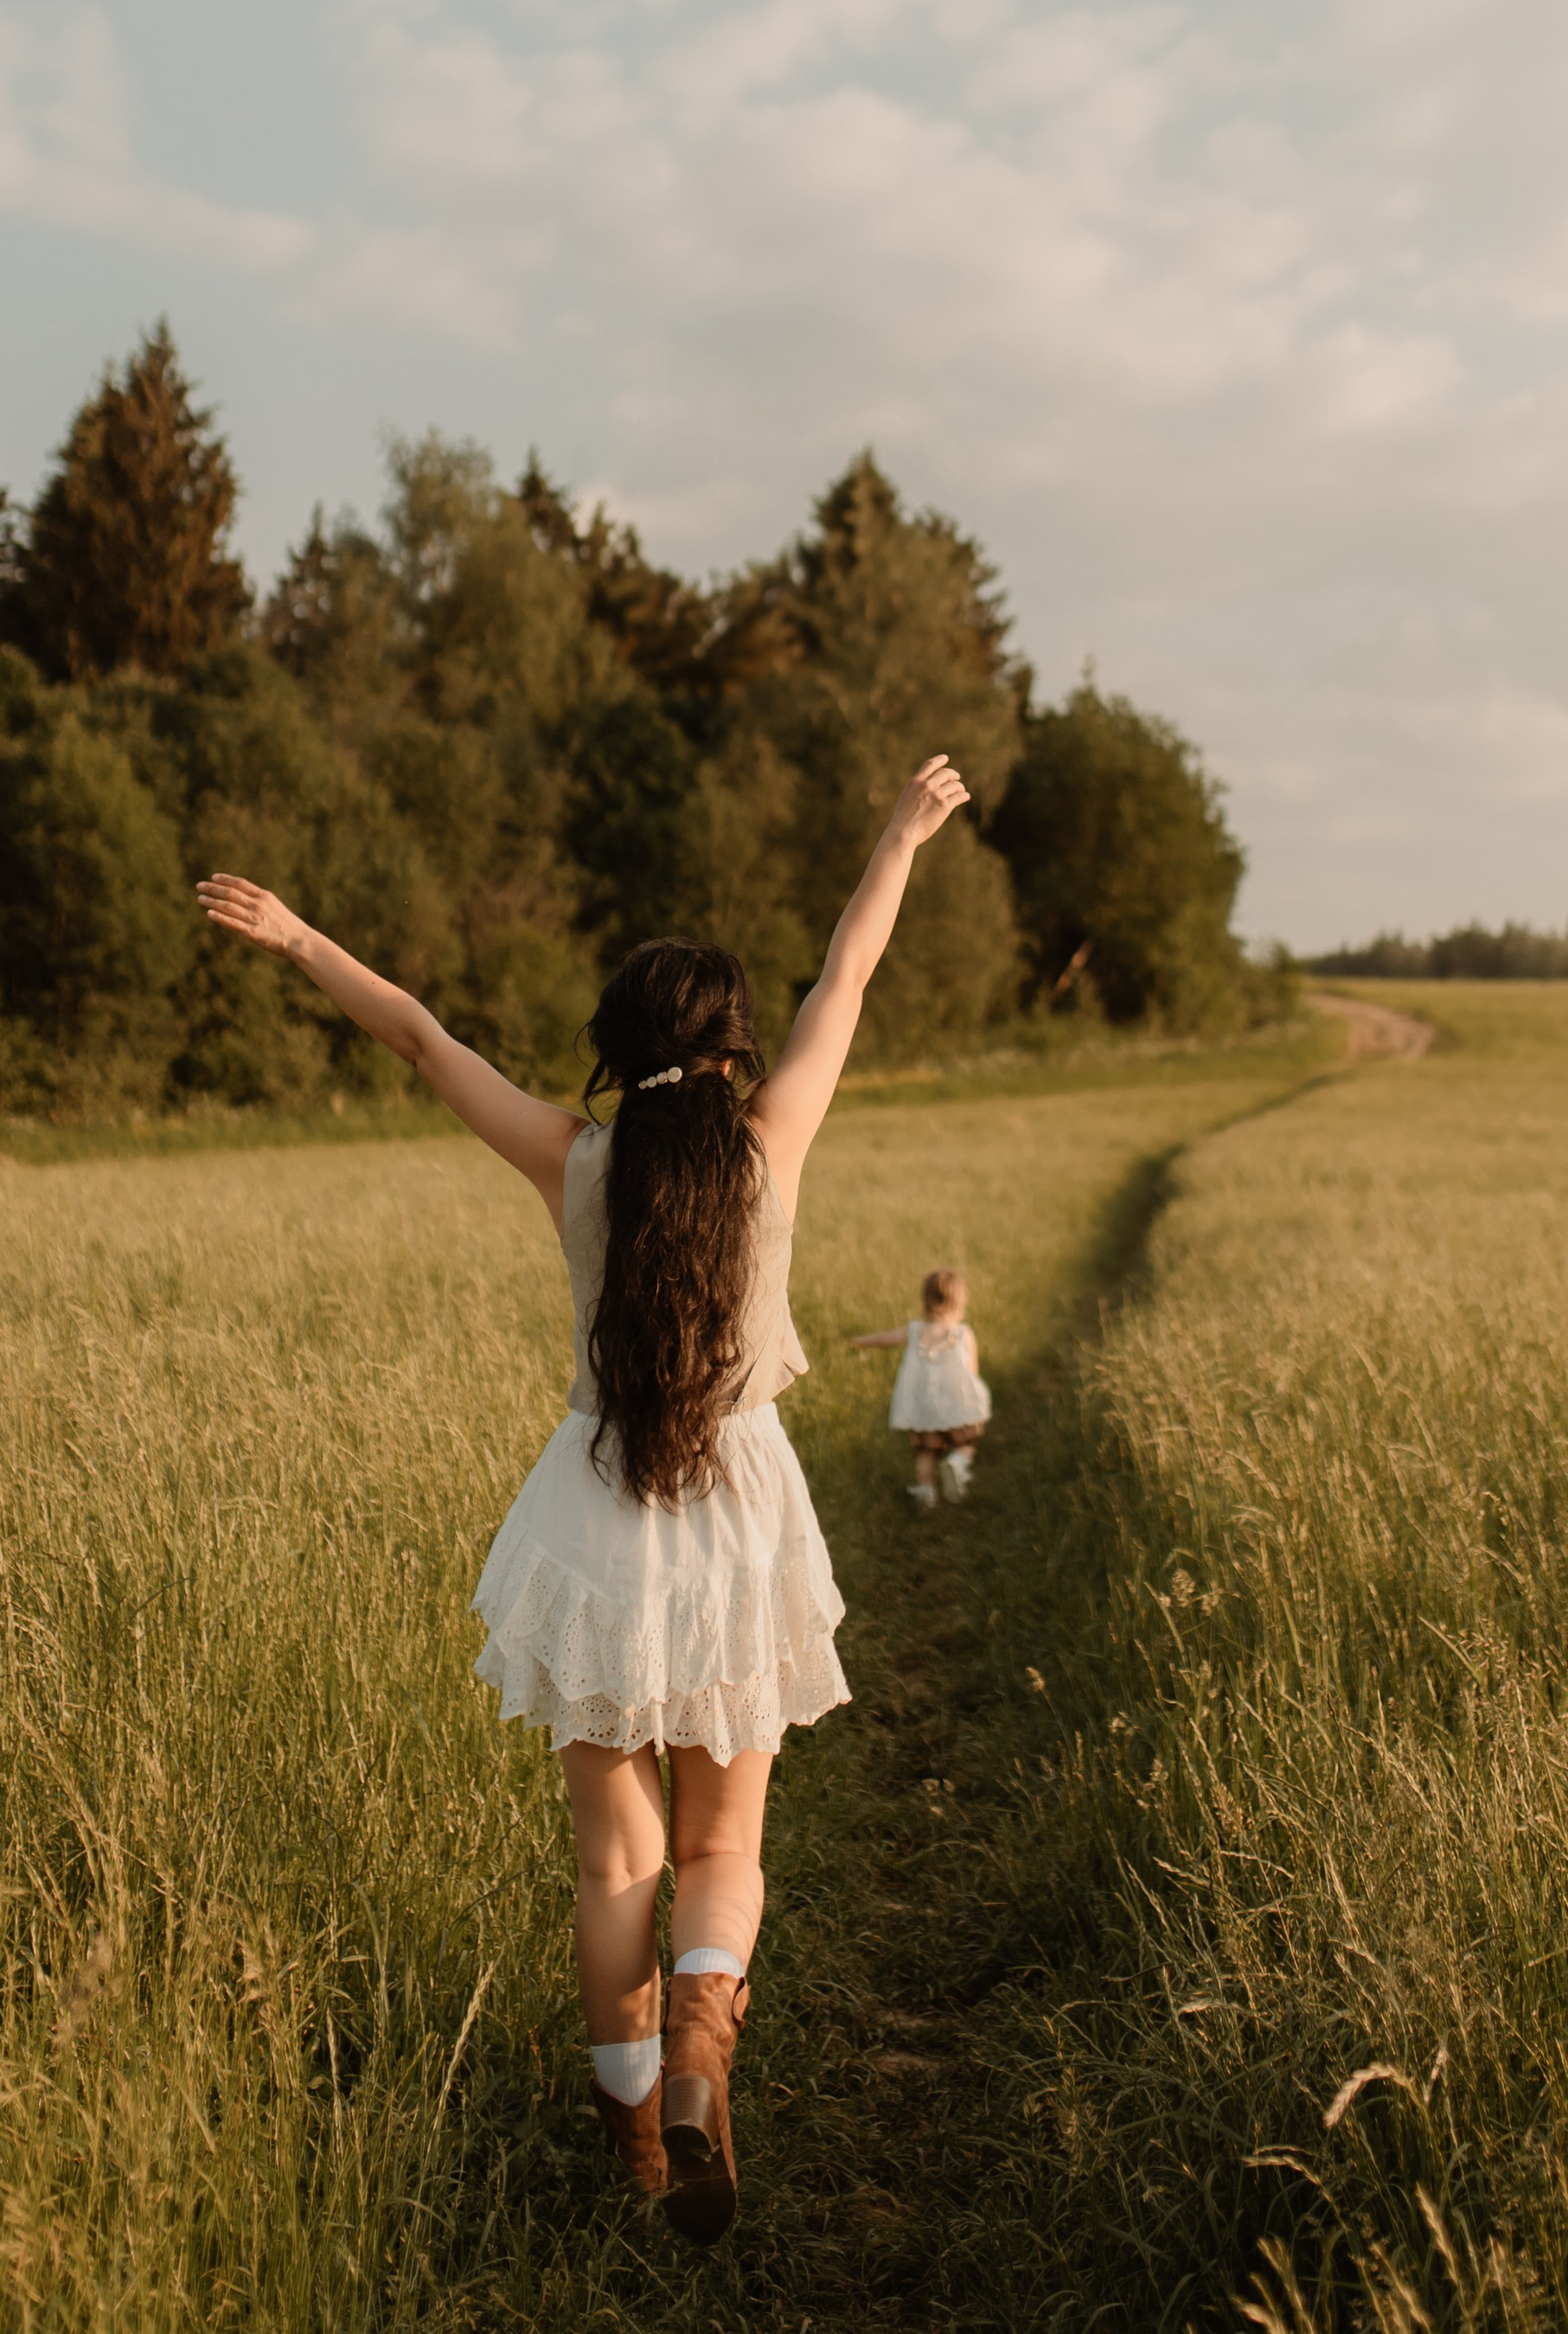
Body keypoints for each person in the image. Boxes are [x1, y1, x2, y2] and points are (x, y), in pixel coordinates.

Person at [195, 750, 970, 2247]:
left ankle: (632, 2141)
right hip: (743, 1512)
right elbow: (848, 980)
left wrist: (300, 940)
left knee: (614, 1859)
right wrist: (898, 832)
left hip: (600, 1507)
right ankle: (699, 2058)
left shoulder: (578, 1162)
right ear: (735, 1053)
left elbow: (425, 1042)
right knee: (722, 1847)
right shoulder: (768, 1148)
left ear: (616, 1055)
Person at [849, 1268, 992, 1505]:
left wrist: (860, 1341)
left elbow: (886, 1339)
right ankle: (958, 1462)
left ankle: (925, 1491)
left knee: (925, 1451)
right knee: (967, 1439)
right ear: (960, 1303)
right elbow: (972, 1372)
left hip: (924, 1405)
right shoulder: (963, 1334)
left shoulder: (915, 1330)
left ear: (925, 1301)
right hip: (956, 1403)